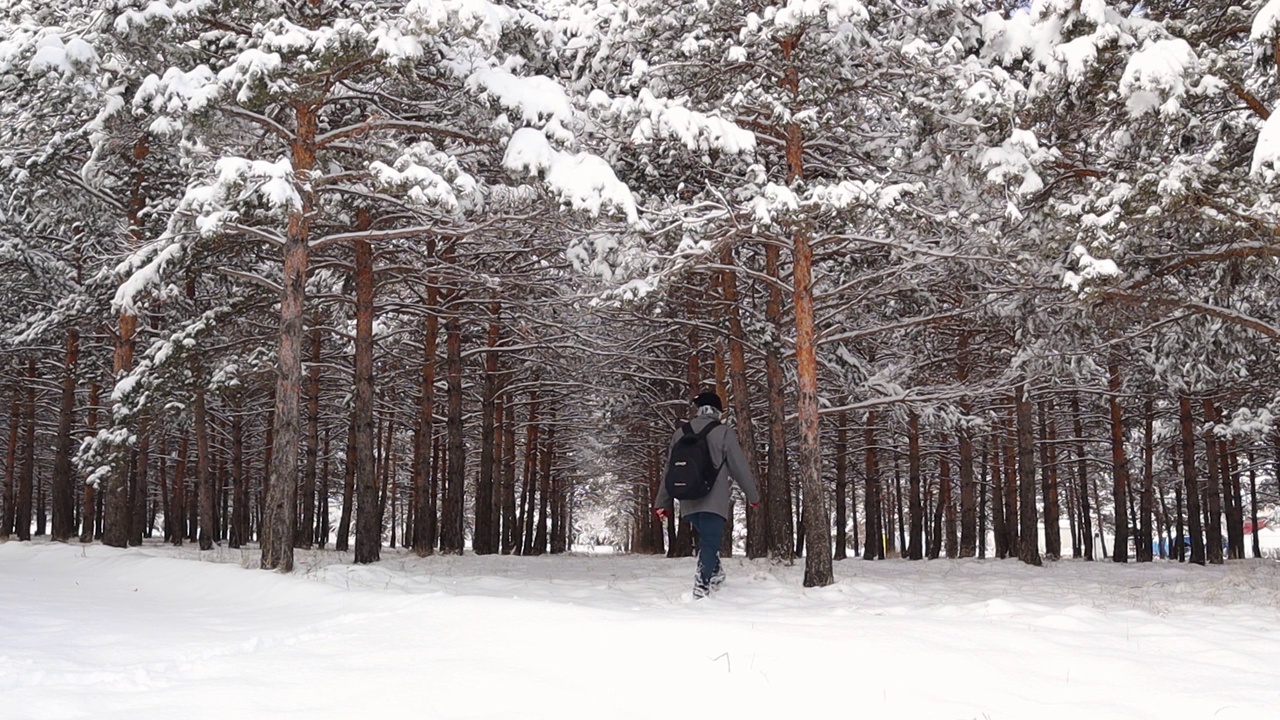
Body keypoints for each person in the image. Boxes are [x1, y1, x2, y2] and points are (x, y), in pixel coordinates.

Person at [653, 390, 760, 598]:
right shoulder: (723, 432)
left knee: (707, 541)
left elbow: (669, 470)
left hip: (688, 498)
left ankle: (717, 574)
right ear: (717, 411)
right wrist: (753, 497)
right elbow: (739, 467)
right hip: (714, 499)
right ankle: (701, 587)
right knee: (710, 542)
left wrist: (662, 502)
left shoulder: (680, 433)